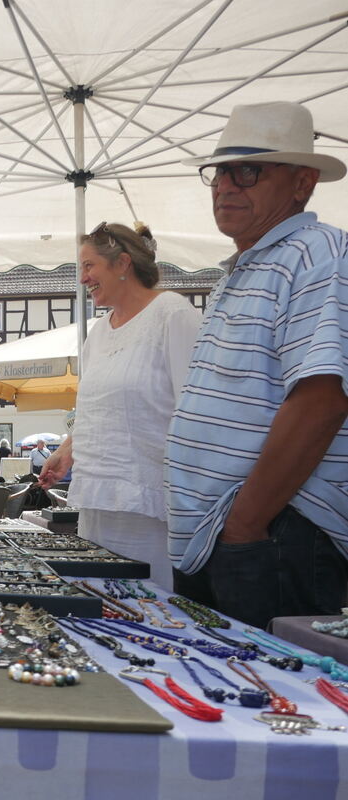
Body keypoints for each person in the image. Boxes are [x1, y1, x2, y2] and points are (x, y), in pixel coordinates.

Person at [165, 102, 348, 626]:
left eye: (248, 171)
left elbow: (321, 399)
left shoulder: (316, 254)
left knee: (277, 701)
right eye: (219, 172)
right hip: (228, 536)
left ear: (302, 183)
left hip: (272, 533)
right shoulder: (246, 266)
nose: (225, 186)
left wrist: (246, 525)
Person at [38, 222, 202, 589]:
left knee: (151, 609)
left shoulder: (173, 314)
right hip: (97, 499)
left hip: (148, 504)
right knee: (103, 604)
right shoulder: (98, 331)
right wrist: (66, 451)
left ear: (123, 263)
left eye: (88, 265)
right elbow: (96, 410)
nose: (82, 279)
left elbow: (195, 412)